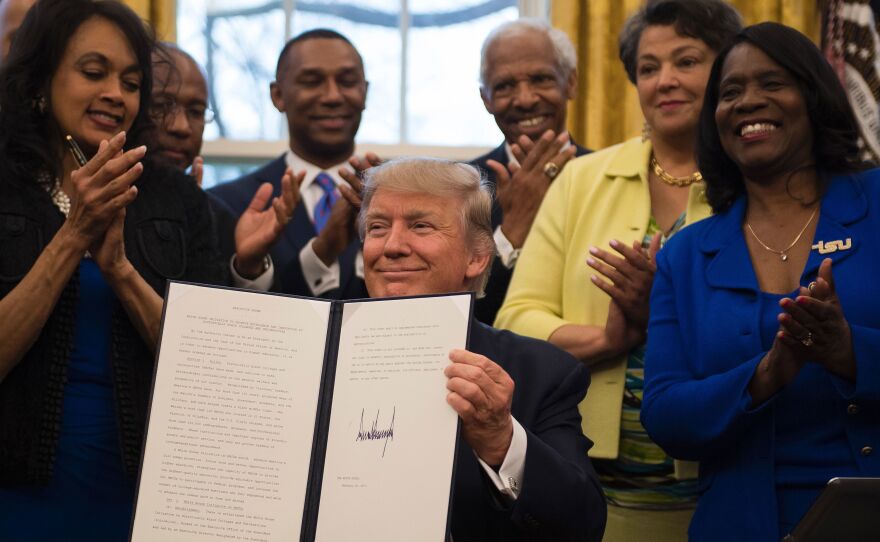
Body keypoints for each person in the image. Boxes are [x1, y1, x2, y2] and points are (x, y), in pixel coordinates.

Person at [495, 1, 741, 539]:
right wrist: (610, 336)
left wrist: (664, 317)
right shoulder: (581, 179)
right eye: (649, 68)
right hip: (589, 494)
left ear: (727, 69)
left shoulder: (754, 183)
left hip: (722, 491)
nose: (666, 81)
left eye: (687, 61)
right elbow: (516, 319)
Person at [641, 22, 880, 541]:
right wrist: (766, 374)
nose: (748, 101)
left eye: (772, 84)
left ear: (813, 97)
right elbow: (663, 415)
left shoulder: (877, 205)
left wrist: (849, 352)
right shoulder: (686, 252)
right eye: (730, 93)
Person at [0, 1, 225, 539]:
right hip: (16, 495)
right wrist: (73, 235)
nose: (115, 94)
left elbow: (214, 370)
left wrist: (121, 271)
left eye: (130, 82)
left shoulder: (180, 201)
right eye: (93, 72)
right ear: (40, 81)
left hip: (150, 496)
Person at [354, 157, 606, 541]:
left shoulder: (541, 372)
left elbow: (582, 526)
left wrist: (500, 440)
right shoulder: (314, 356)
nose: (392, 246)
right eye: (377, 227)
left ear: (476, 257)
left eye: (420, 226)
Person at [210, 28, 377, 298]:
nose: (333, 96)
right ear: (277, 95)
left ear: (365, 92)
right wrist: (250, 269)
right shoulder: (227, 204)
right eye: (312, 81)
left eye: (347, 81)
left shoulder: (397, 198)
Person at [150, 43, 299, 290]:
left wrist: (249, 268)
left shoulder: (217, 217)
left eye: (196, 111)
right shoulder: (88, 201)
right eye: (161, 106)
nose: (181, 127)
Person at [471, 18, 590, 324]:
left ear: (571, 82)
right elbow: (459, 312)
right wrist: (511, 232)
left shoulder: (610, 175)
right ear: (485, 98)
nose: (525, 99)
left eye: (541, 79)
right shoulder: (459, 187)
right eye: (505, 86)